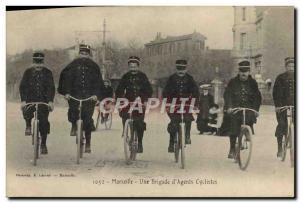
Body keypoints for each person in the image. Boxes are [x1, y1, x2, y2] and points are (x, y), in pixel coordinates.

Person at [58, 44, 104, 153]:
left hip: (89, 97)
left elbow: (99, 83)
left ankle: (88, 142)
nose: (84, 56)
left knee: (87, 120)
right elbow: (65, 78)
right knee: (73, 112)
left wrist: (96, 95)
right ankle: (74, 125)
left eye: (86, 54)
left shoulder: (94, 66)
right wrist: (66, 93)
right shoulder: (72, 65)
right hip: (75, 95)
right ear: (79, 54)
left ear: (89, 55)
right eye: (82, 53)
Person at [224, 60, 262, 159]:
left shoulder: (253, 83)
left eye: (245, 71)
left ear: (249, 72)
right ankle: (232, 148)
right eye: (241, 71)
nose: (243, 73)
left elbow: (257, 97)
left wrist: (256, 109)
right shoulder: (233, 82)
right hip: (236, 109)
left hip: (248, 109)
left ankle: (248, 131)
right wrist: (229, 107)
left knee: (250, 117)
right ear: (239, 71)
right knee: (233, 126)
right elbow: (227, 95)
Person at [19, 51, 55, 154]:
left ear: (43, 62)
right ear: (33, 62)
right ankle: (28, 125)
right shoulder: (28, 72)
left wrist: (50, 101)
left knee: (44, 122)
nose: (38, 65)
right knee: (26, 110)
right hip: (30, 99)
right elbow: (23, 87)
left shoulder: (48, 73)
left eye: (40, 62)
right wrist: (23, 100)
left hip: (44, 101)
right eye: (36, 62)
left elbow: (51, 88)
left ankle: (43, 144)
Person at [115, 56, 153, 153]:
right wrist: (120, 101)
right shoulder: (125, 76)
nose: (133, 68)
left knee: (139, 123)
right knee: (124, 115)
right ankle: (126, 129)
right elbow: (119, 90)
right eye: (131, 66)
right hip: (128, 101)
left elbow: (149, 90)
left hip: (140, 102)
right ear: (128, 67)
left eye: (135, 66)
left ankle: (139, 142)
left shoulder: (143, 76)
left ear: (138, 66)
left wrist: (144, 100)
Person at [163, 59, 199, 152]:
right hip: (173, 103)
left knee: (188, 118)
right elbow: (165, 92)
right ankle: (171, 142)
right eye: (179, 68)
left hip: (187, 103)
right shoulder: (171, 79)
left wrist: (195, 104)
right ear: (176, 69)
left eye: (183, 69)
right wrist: (167, 104)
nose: (181, 71)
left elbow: (195, 92)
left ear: (186, 69)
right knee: (174, 122)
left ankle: (187, 135)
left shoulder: (190, 79)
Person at [272, 57, 295, 158]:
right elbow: (276, 93)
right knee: (282, 124)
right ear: (285, 67)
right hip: (282, 106)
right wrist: (278, 106)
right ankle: (280, 148)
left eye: (293, 66)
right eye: (289, 66)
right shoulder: (280, 78)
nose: (291, 68)